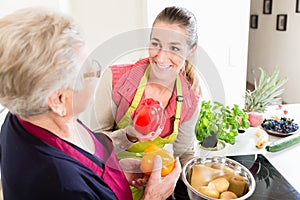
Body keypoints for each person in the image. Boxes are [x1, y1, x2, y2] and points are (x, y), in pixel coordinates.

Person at [0, 7, 181, 200]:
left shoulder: (29, 111)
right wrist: (153, 197)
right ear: (59, 100)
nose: (97, 73)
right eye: (89, 71)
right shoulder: (62, 188)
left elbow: (85, 151)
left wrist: (124, 153)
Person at [93, 6, 201, 200]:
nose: (160, 57)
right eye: (156, 43)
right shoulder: (115, 80)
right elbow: (95, 148)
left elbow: (184, 154)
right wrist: (130, 134)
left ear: (191, 50)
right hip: (109, 187)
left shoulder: (190, 98)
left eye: (175, 48)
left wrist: (200, 189)